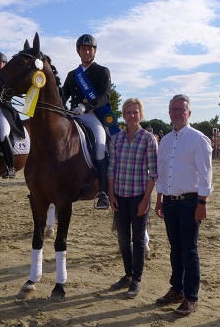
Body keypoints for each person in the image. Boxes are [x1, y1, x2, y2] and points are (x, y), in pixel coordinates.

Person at [154, 94, 213, 317]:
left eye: (181, 109)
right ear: (169, 112)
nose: (176, 112)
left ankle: (191, 297)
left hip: (190, 203)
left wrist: (203, 202)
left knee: (189, 250)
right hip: (169, 202)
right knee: (175, 249)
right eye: (173, 109)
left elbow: (206, 174)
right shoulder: (166, 140)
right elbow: (162, 173)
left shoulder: (198, 139)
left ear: (189, 113)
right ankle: (176, 289)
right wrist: (160, 199)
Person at [108, 98, 158, 299]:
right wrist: (111, 194)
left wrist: (146, 200)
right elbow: (111, 169)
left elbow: (152, 173)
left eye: (135, 112)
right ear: (123, 114)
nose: (131, 116)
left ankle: (137, 279)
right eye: (128, 112)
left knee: (137, 239)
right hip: (119, 195)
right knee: (122, 239)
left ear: (141, 114)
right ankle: (128, 274)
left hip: (139, 196)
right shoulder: (117, 139)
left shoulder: (148, 139)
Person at [62, 34, 112, 209]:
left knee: (99, 147)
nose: (87, 51)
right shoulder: (71, 75)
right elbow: (63, 96)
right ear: (78, 51)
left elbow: (105, 96)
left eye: (90, 48)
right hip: (73, 115)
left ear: (95, 51)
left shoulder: (102, 71)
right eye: (83, 49)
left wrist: (86, 106)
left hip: (92, 116)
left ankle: (103, 192)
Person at [0, 51, 25, 179]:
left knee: (3, 133)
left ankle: (10, 166)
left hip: (3, 111)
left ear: (4, 64)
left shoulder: (9, 79)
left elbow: (4, 97)